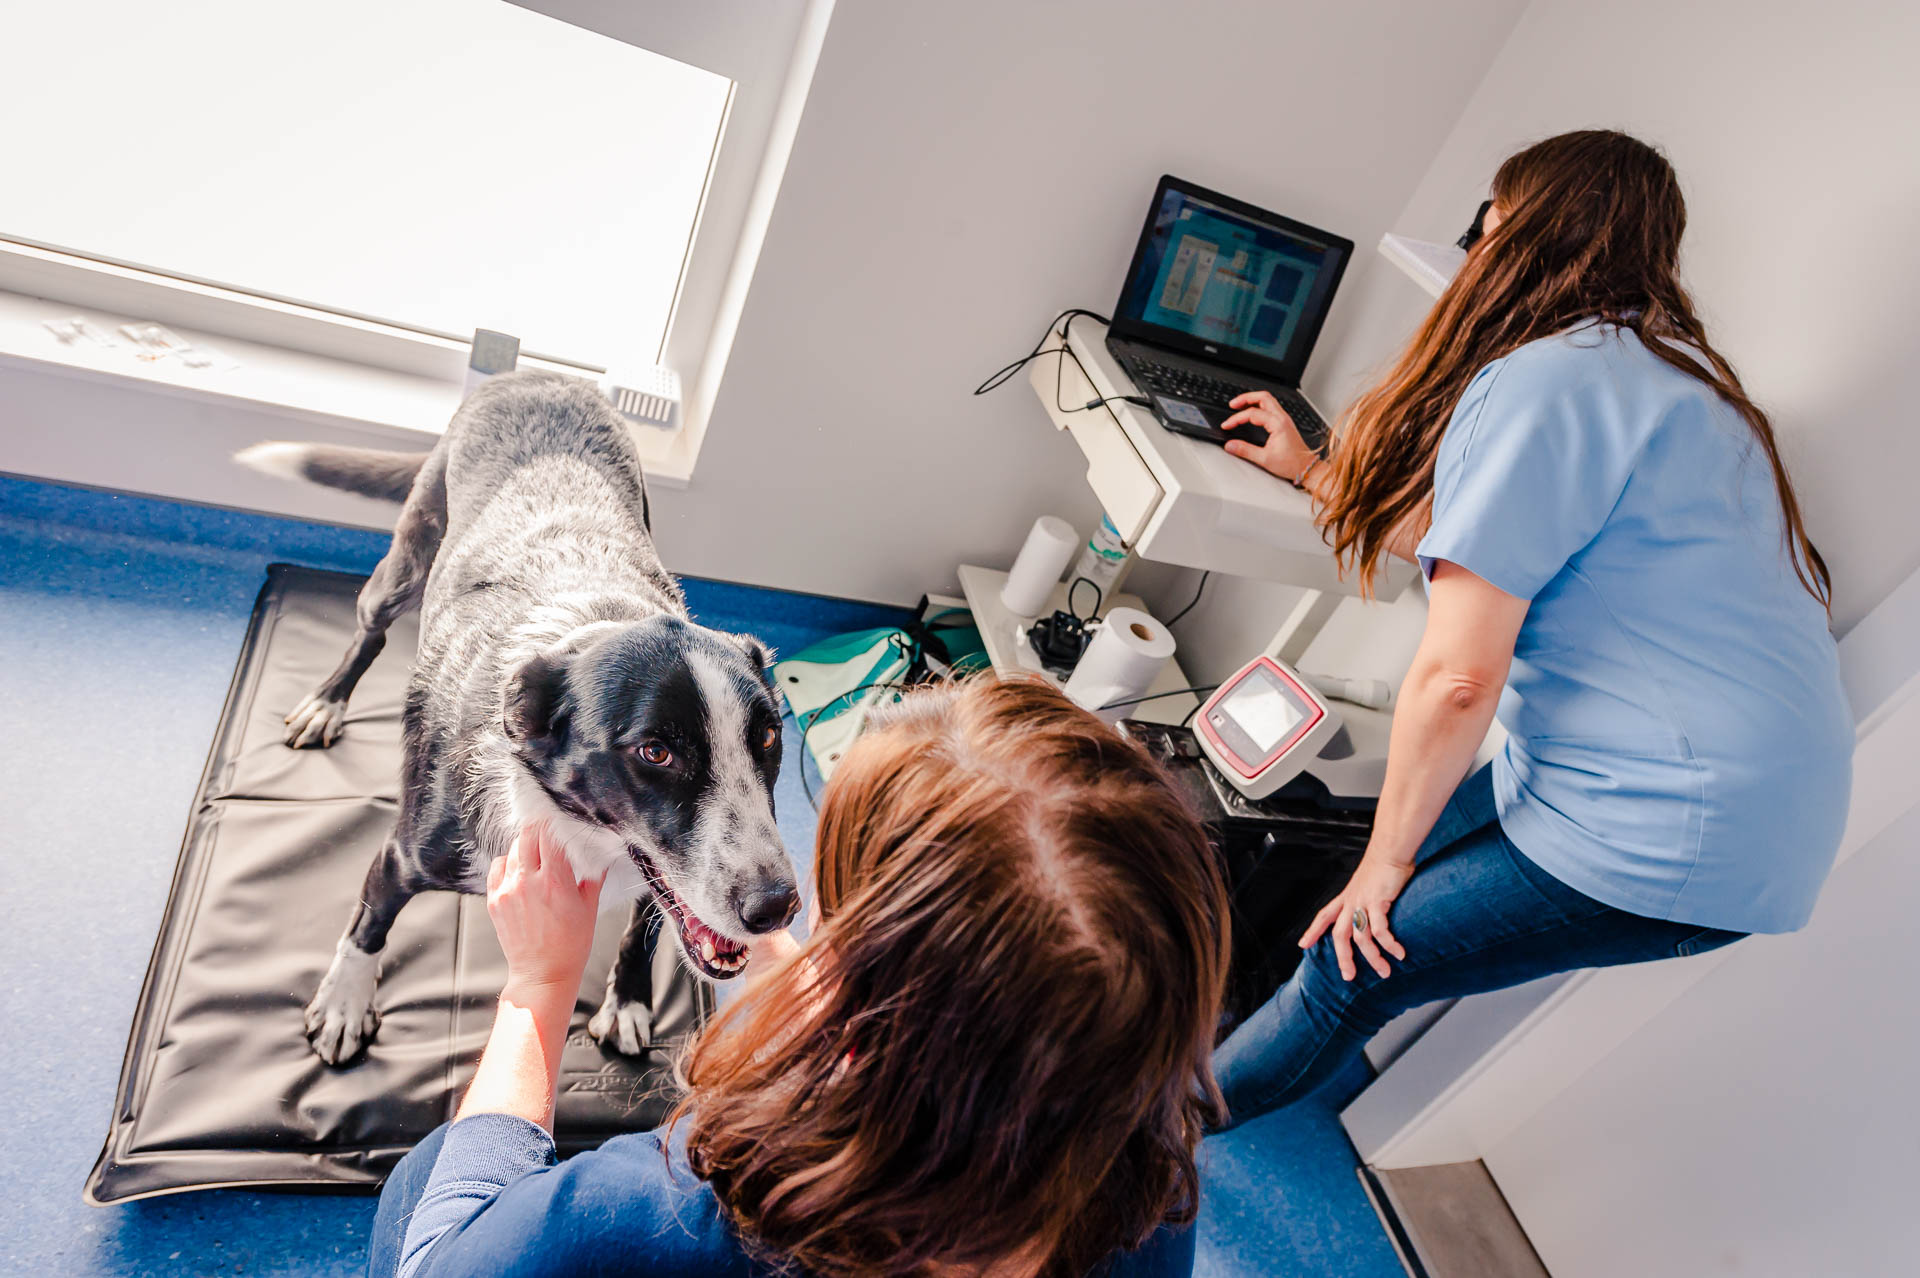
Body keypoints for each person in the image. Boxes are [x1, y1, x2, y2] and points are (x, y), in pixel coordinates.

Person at [1209, 129, 1852, 1125]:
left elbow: (1457, 679)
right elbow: (1489, 539)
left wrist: (1386, 864)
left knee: (1355, 961)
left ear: (1511, 225)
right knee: (1365, 878)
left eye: (1484, 221)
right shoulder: (1674, 375)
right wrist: (1313, 471)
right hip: (1744, 806)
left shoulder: (1546, 378)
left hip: (1671, 822)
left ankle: (1115, 1167)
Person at [368, 676, 1231, 1277]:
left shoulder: (652, 1221)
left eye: (838, 920)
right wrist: (784, 962)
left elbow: (438, 1262)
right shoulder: (1149, 1201)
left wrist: (539, 988)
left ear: (857, 1017)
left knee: (431, 1173)